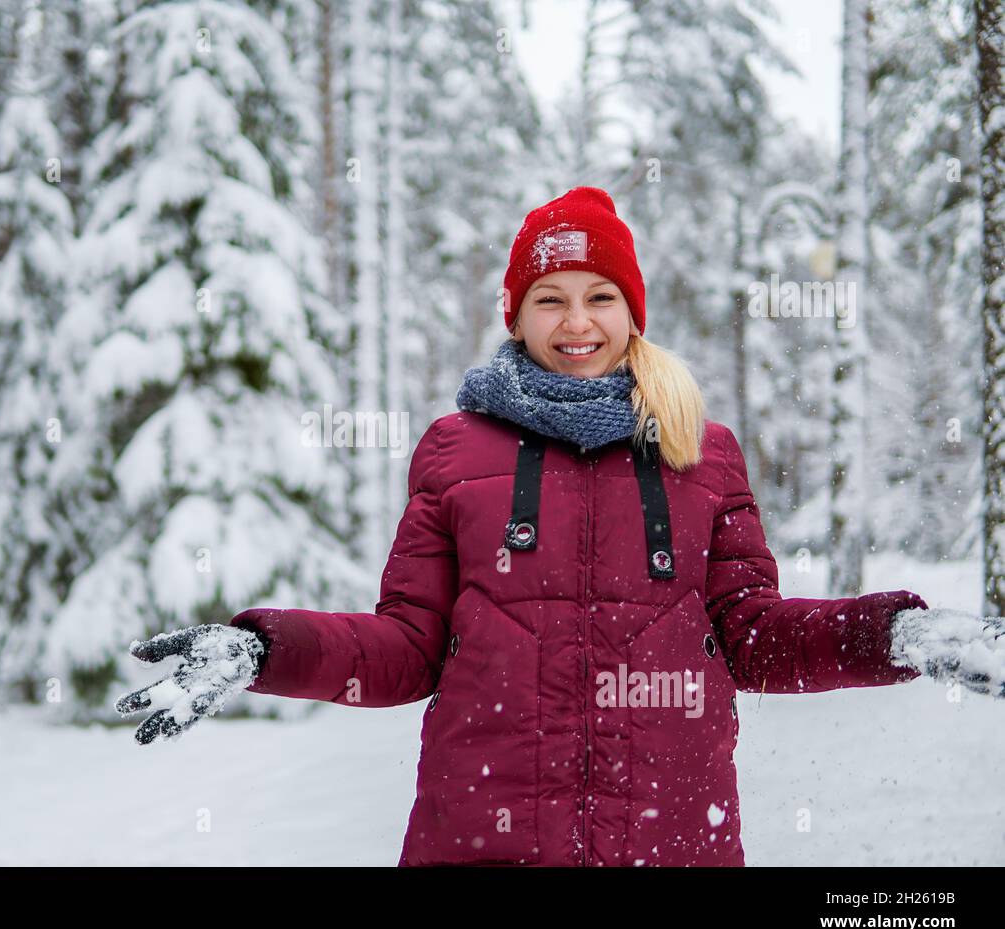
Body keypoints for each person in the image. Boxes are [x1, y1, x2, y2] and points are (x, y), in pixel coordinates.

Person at [116, 186, 1005, 867]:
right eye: (549, 298)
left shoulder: (702, 451)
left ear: (632, 313)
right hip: (480, 842)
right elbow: (405, 647)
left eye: (600, 297)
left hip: (672, 845)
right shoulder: (456, 450)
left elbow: (755, 638)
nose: (576, 322)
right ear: (516, 313)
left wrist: (899, 634)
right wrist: (261, 650)